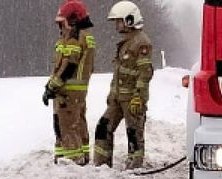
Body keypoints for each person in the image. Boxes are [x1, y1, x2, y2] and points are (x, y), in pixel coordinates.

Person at [94, 1, 154, 170]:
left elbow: (145, 73)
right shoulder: (126, 43)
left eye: (119, 21)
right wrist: (112, 95)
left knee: (134, 134)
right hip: (118, 99)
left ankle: (134, 168)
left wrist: (138, 97)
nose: (116, 25)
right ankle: (101, 166)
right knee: (103, 127)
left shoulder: (141, 42)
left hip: (132, 100)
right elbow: (119, 72)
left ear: (129, 20)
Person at [43, 0, 96, 165]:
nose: (60, 27)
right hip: (76, 92)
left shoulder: (75, 38)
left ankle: (72, 162)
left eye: (62, 22)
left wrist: (52, 86)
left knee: (67, 127)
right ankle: (80, 157)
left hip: (68, 92)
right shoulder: (84, 37)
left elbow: (68, 65)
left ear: (73, 20)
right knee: (77, 124)